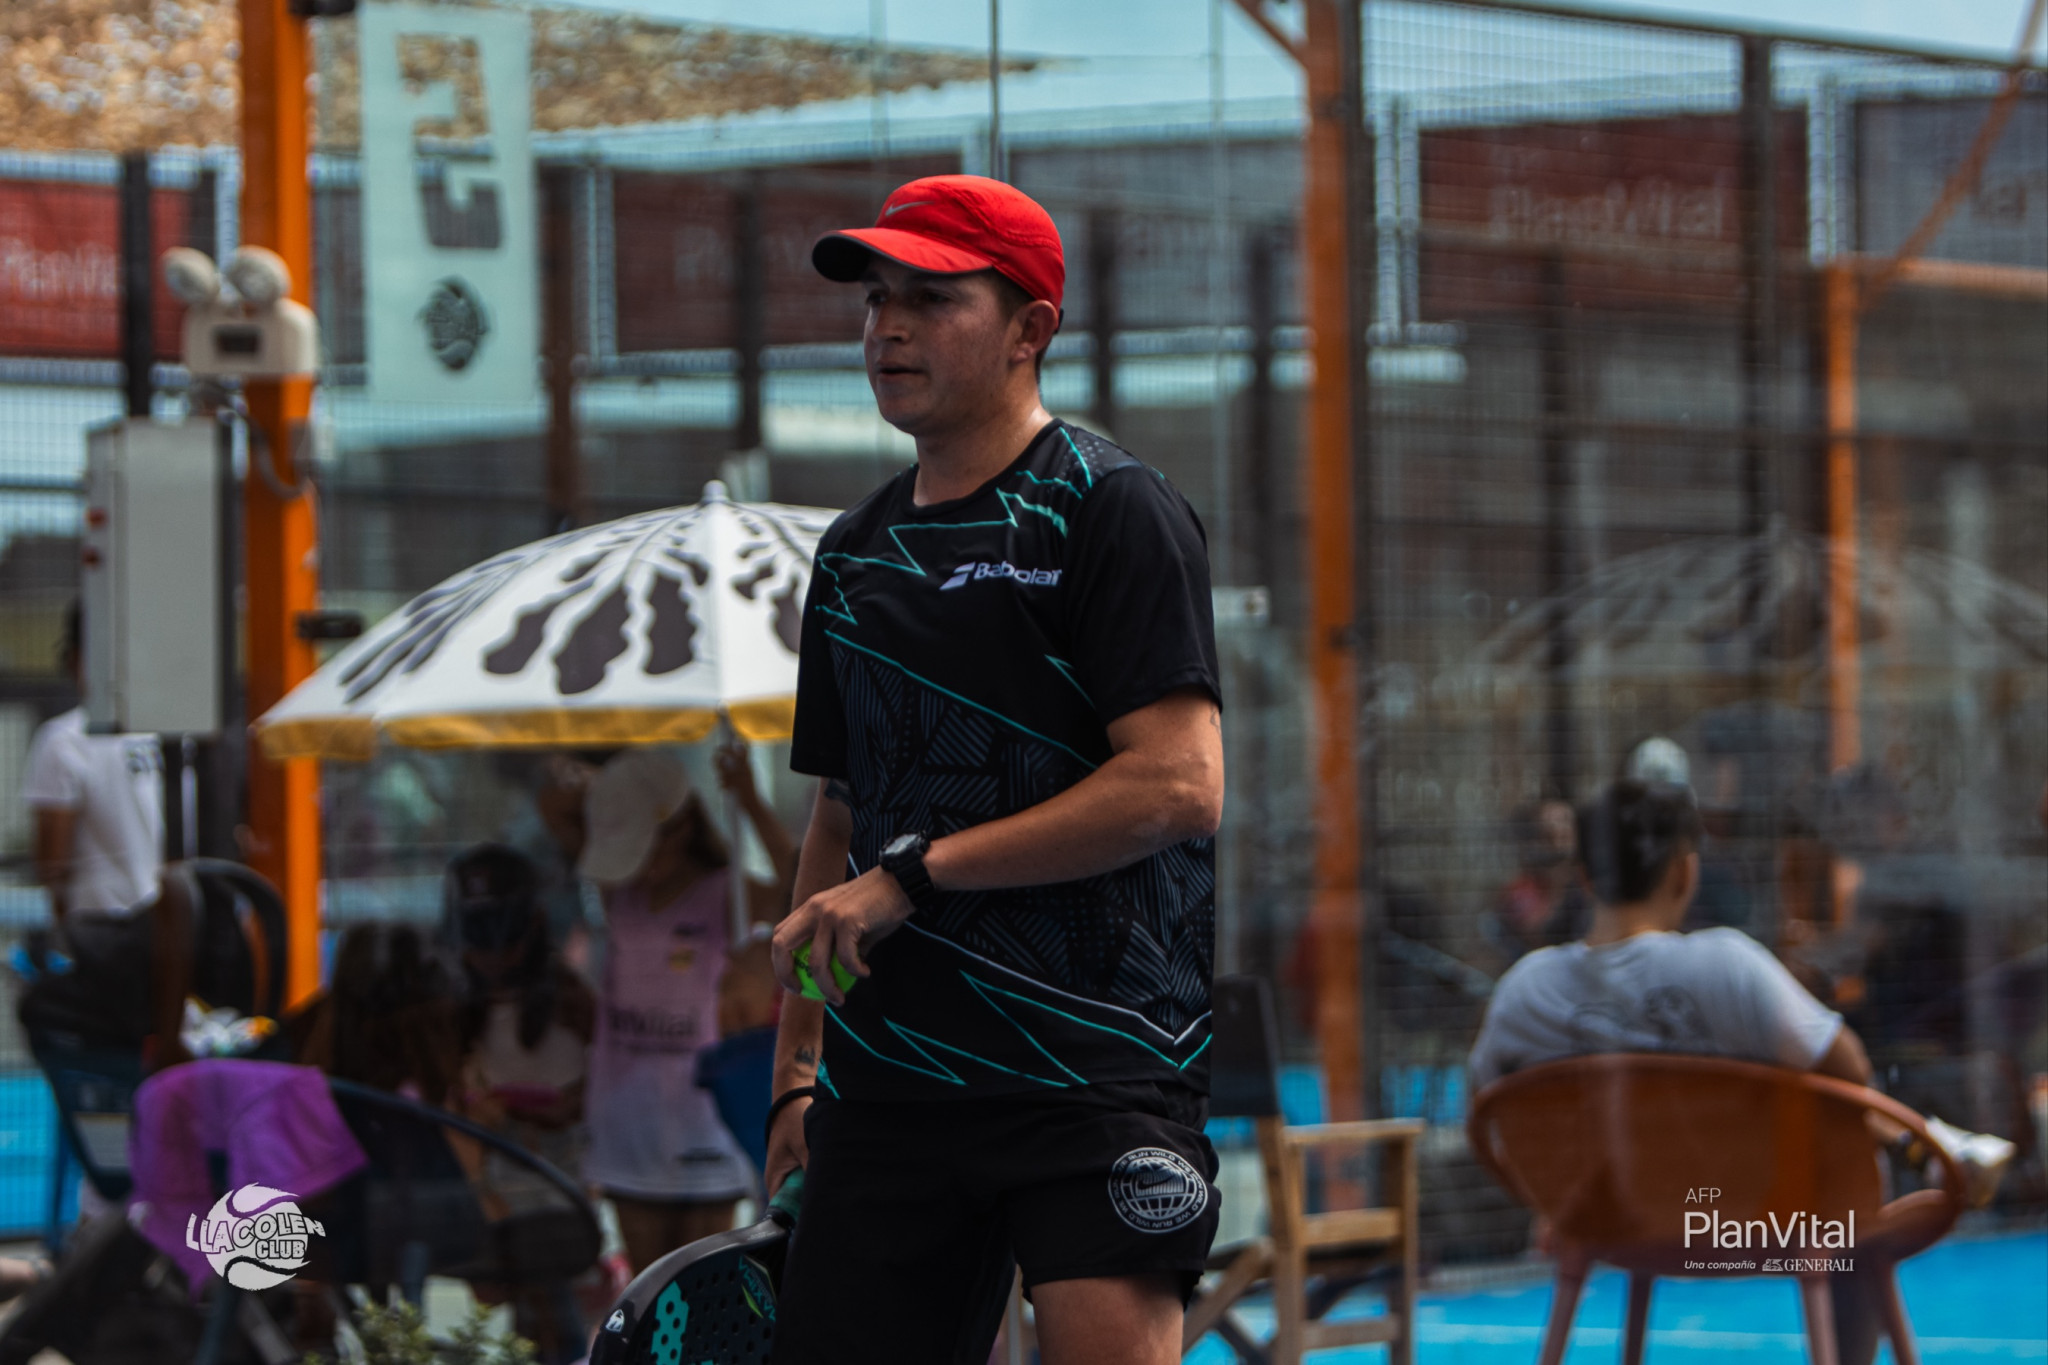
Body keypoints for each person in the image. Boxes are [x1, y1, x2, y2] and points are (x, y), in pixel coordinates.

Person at [764, 174, 1225, 1365]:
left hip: (1094, 1072)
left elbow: (1177, 784)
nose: (888, 327)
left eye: (931, 298)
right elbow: (838, 817)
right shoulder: (852, 554)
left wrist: (913, 877)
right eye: (876, 300)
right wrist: (796, 1074)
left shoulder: (1112, 510)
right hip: (890, 1085)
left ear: (1029, 330)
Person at [1469, 779, 2010, 1365]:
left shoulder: (1523, 992)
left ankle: (1920, 1146)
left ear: (1584, 878)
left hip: (1608, 1216)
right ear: (1685, 871)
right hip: (1764, 1221)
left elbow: (1486, 1103)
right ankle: (1926, 1149)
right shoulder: (1729, 965)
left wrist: (1554, 1195)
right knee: (1844, 1163)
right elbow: (1849, 1068)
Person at [578, 747, 793, 1274]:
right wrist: (599, 779)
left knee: (700, 1291)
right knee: (644, 1293)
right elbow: (556, 807)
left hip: (705, 1124)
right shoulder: (618, 892)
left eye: (646, 847)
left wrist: (749, 800)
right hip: (628, 1126)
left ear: (681, 829)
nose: (644, 867)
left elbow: (797, 892)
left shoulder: (727, 893)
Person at [445, 843, 596, 1183]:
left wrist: (571, 1104)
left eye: (504, 935)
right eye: (477, 935)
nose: (492, 954)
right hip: (487, 1164)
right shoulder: (455, 1007)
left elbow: (610, 1070)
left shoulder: (568, 996)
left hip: (563, 1167)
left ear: (535, 923)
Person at [21, 603, 164, 919]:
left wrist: (63, 923)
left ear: (77, 659)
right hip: (172, 922)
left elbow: (52, 860)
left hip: (101, 922)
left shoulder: (64, 739)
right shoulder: (166, 734)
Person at [1483, 797, 1589, 969]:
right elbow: (1534, 935)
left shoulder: (1589, 884)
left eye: (1566, 821)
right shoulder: (1521, 890)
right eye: (1552, 823)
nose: (1561, 829)